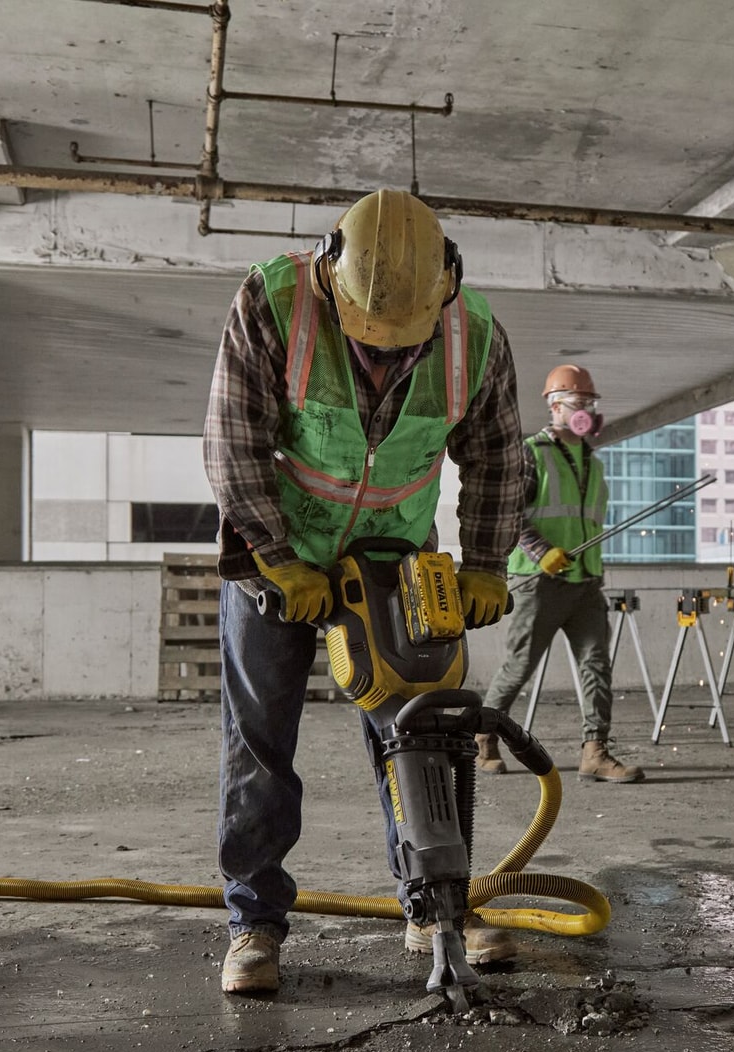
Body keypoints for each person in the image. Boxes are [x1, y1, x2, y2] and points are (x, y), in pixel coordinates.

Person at [203, 189, 523, 995]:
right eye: (367, 339)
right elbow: (232, 437)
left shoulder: (475, 335)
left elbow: (496, 456)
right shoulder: (272, 302)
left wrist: (486, 562)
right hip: (281, 553)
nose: (383, 358)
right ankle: (254, 922)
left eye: (400, 341)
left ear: (447, 284)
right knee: (260, 739)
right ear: (328, 272)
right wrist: (275, 555)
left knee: (417, 733)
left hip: (396, 552)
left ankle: (434, 906)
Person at [475, 365, 644, 784]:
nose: (587, 410)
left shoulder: (594, 463)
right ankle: (484, 736)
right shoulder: (531, 453)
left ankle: (595, 751)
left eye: (591, 403)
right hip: (541, 582)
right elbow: (509, 513)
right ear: (555, 405)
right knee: (519, 667)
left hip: (584, 581)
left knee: (596, 665)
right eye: (579, 402)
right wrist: (541, 551)